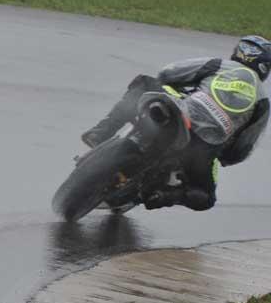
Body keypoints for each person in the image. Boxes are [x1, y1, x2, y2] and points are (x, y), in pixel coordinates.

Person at [81, 35, 270, 211]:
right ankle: (163, 196)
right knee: (206, 198)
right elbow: (243, 146)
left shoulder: (220, 65)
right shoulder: (262, 101)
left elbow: (168, 73)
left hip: (180, 112)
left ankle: (101, 132)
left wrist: (181, 88)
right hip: (203, 148)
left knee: (145, 83)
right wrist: (224, 156)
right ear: (264, 67)